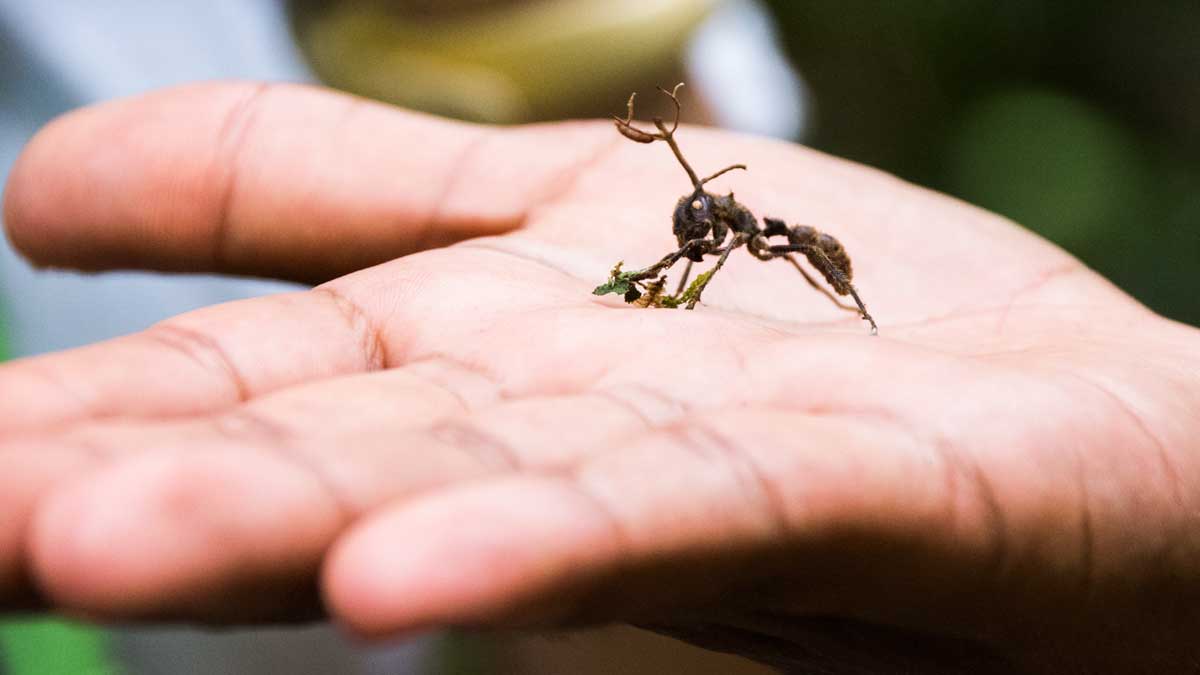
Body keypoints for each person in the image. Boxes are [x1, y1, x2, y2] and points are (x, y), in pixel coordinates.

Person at [3, 81, 1199, 674]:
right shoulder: (705, 219)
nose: (693, 233)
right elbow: (695, 231)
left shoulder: (754, 226)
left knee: (798, 266)